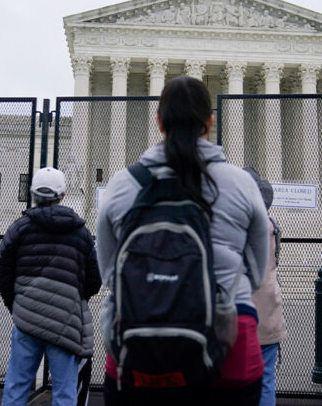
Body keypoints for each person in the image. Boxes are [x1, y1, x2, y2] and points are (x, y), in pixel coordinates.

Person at [96, 76, 270, 406]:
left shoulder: (122, 185)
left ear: (159, 121)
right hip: (229, 333)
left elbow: (108, 271)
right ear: (210, 122)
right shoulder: (241, 184)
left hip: (138, 335)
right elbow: (256, 271)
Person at [0, 167, 101, 406]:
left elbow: (3, 272)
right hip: (65, 321)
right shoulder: (81, 233)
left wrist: (17, 305)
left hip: (26, 320)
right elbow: (94, 280)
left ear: (33, 193)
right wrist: (72, 299)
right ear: (63, 195)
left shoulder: (19, 229)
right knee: (65, 392)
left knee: (16, 387)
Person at [244, 167, 287, 406]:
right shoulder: (273, 226)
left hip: (241, 315)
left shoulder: (235, 228)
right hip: (269, 312)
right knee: (265, 381)